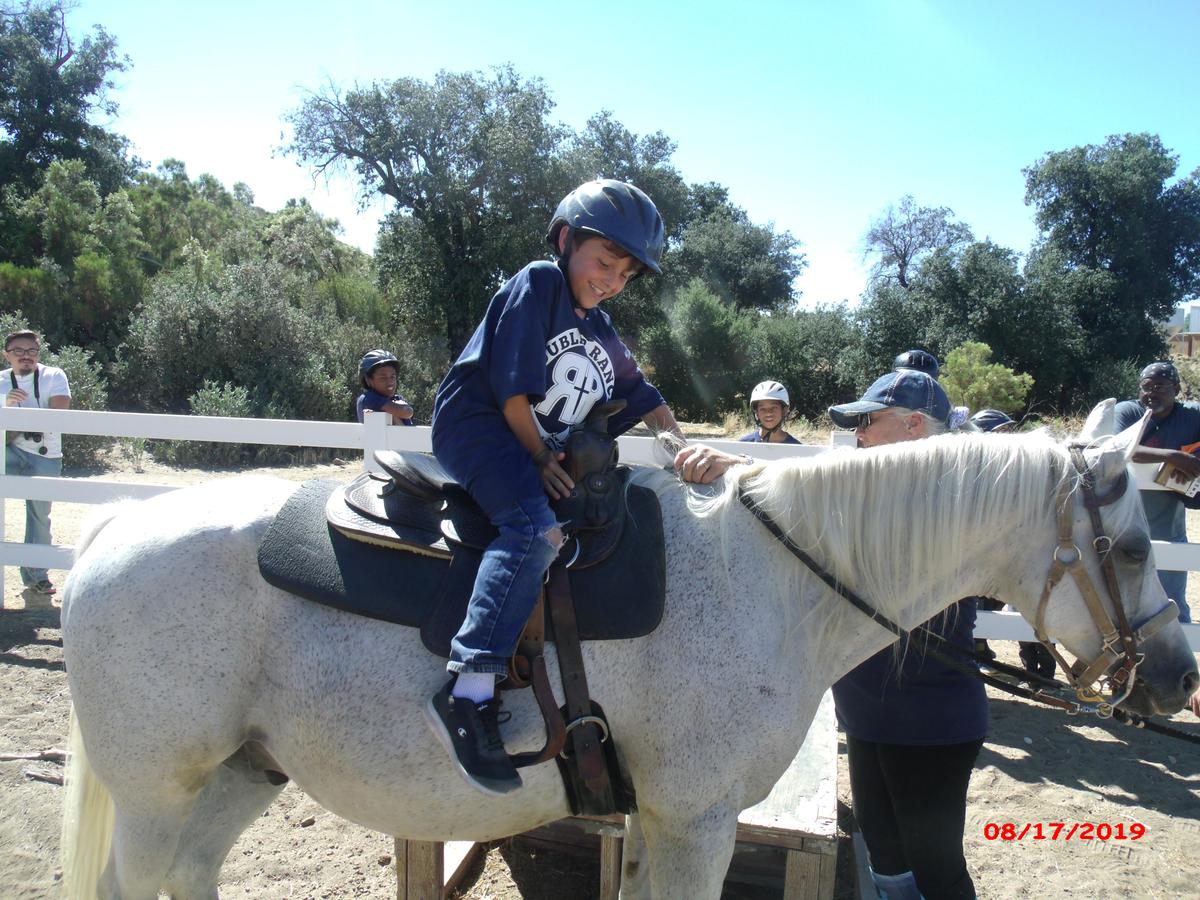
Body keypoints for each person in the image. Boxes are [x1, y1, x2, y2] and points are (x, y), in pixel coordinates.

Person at [426, 179, 683, 796]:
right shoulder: (540, 283)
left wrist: (683, 449)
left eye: (625, 274)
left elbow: (643, 395)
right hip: (483, 429)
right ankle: (469, 689)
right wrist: (540, 455)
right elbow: (510, 390)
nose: (612, 280)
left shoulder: (601, 328)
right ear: (567, 240)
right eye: (604, 262)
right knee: (534, 531)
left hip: (530, 445)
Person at [826, 368, 987, 900]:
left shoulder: (952, 501)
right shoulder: (877, 491)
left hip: (925, 721)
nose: (859, 435)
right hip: (869, 711)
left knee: (936, 869)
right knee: (885, 854)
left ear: (914, 425)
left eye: (869, 422)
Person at [967, 409, 1059, 680]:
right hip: (985, 551)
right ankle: (980, 654)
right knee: (981, 607)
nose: (1009, 436)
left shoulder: (1021, 467)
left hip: (1016, 549)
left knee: (1027, 607)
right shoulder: (976, 468)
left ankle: (1040, 670)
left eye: (1008, 430)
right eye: (1001, 431)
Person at [1113, 361, 1198, 623]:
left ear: (1177, 389)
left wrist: (1195, 457)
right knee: (1119, 598)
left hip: (1168, 524)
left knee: (1170, 598)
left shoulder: (1192, 415)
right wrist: (1174, 457)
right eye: (1146, 386)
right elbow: (1119, 448)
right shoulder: (1128, 411)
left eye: (1160, 386)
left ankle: (1179, 642)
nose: (1151, 393)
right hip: (1120, 524)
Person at [1, 330, 72, 596]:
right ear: (6, 355)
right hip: (8, 451)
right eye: (18, 351)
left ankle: (36, 576)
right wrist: (7, 407)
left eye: (31, 351)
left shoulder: (55, 376)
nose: (26, 356)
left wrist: (12, 419)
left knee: (40, 516)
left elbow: (59, 414)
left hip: (45, 454)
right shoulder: (1, 382)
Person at [356, 350, 415, 425]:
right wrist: (399, 409)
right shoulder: (368, 398)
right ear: (368, 380)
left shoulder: (396, 398)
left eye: (392, 377)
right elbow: (407, 412)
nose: (390, 382)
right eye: (383, 378)